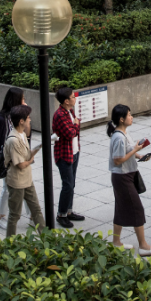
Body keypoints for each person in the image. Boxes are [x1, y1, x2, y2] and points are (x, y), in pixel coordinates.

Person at [107, 104, 151, 256]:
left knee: (120, 209)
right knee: (137, 209)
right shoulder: (118, 137)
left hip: (126, 175)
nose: (132, 117)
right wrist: (136, 150)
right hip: (122, 177)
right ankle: (143, 246)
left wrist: (139, 154)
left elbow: (128, 151)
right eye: (129, 115)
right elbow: (118, 160)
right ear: (121, 119)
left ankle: (116, 242)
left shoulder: (124, 133)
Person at [4, 105, 46, 235]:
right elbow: (21, 164)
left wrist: (37, 148)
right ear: (21, 121)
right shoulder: (14, 140)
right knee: (15, 215)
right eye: (28, 118)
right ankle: (9, 242)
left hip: (27, 179)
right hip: (17, 182)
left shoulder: (22, 135)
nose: (30, 120)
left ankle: (46, 238)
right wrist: (30, 160)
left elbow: (26, 155)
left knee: (36, 209)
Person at [0, 87, 28, 229]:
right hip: (9, 159)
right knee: (8, 188)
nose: (24, 102)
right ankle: (1, 217)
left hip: (21, 156)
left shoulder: (19, 117)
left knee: (25, 186)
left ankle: (32, 215)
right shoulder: (2, 118)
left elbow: (26, 133)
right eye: (22, 99)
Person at [51, 87, 85, 228]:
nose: (74, 98)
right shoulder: (59, 115)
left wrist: (75, 125)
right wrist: (76, 125)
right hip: (64, 154)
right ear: (66, 101)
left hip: (74, 152)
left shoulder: (69, 111)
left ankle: (69, 211)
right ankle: (61, 214)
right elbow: (70, 133)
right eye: (72, 96)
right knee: (68, 185)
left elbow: (73, 129)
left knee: (72, 184)